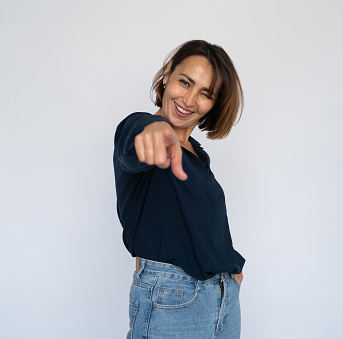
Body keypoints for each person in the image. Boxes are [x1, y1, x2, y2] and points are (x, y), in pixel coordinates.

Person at [113, 40, 245, 338]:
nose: (189, 99)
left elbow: (201, 226)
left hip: (223, 298)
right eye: (185, 82)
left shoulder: (198, 155)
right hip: (173, 301)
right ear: (167, 74)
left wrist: (232, 270)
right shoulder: (141, 128)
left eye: (205, 94)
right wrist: (155, 130)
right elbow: (136, 135)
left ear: (214, 103)